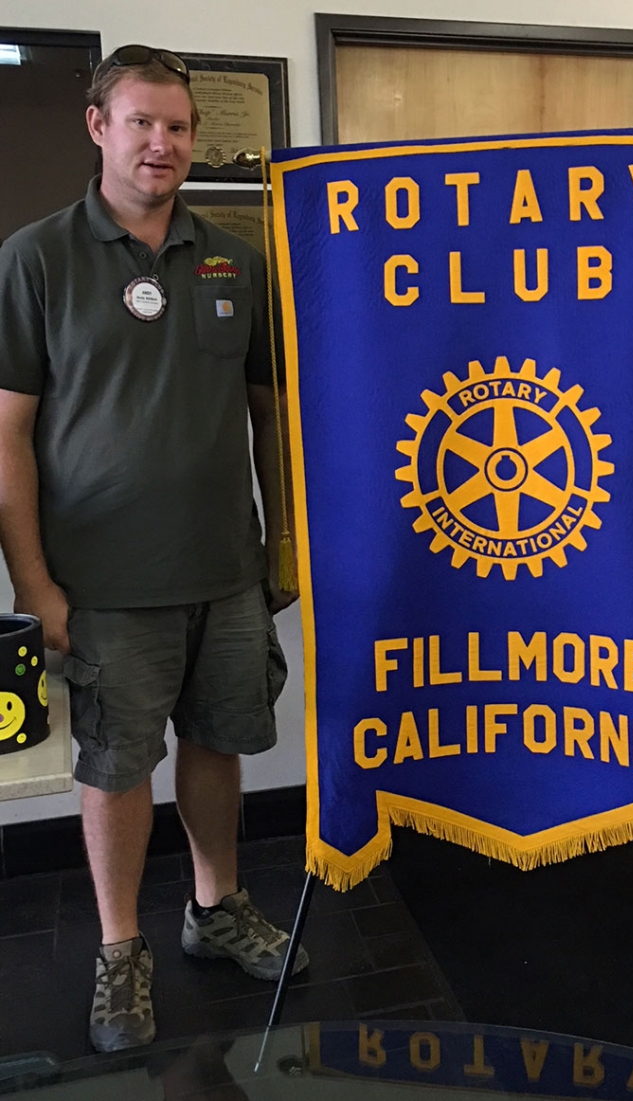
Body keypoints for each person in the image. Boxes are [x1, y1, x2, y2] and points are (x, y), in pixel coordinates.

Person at [0, 45, 308, 1054]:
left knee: (218, 744)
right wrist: (35, 580)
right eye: (141, 123)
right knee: (117, 763)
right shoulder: (36, 258)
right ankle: (120, 947)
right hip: (102, 582)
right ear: (99, 126)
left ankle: (214, 909)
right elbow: (7, 433)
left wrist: (281, 540)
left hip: (223, 569)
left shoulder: (235, 257)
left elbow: (268, 410)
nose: (162, 143)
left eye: (177, 127)